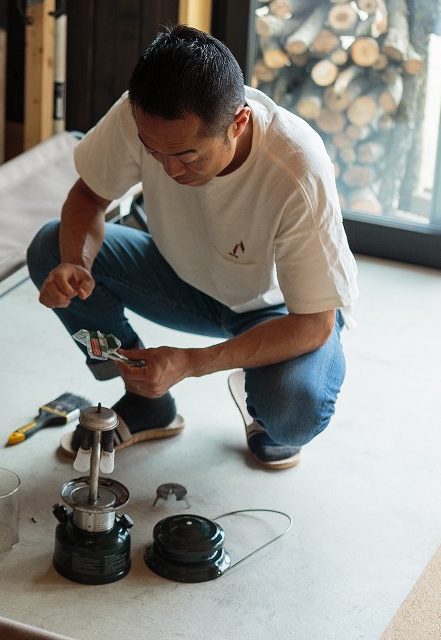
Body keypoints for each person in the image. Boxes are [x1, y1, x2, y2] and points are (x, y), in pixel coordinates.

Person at [27, 24, 357, 469]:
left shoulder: (296, 168)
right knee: (50, 247)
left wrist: (192, 362)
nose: (167, 169)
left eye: (186, 154)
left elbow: (314, 324)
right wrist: (75, 263)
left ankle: (259, 389)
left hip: (277, 310)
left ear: (238, 124)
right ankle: (146, 403)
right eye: (153, 152)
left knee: (292, 412)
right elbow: (89, 196)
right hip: (182, 279)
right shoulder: (139, 115)